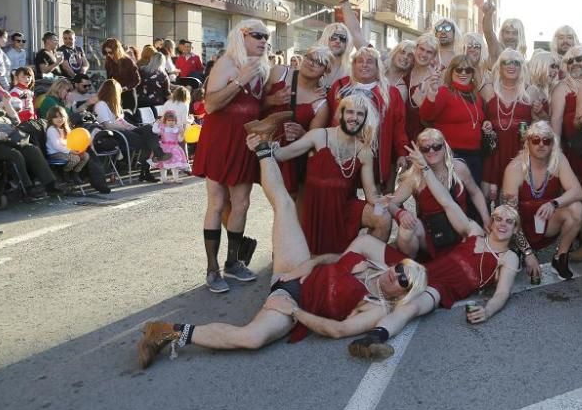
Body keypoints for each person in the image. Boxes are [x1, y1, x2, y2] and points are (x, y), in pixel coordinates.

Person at [136, 136, 428, 369]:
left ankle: (165, 331)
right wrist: (307, 266)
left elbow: (337, 330)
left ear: (403, 293)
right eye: (400, 268)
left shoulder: (376, 307)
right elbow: (335, 258)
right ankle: (263, 148)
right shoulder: (374, 263)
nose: (396, 273)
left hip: (291, 302)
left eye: (403, 280)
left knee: (252, 338)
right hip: (297, 267)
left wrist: (297, 312)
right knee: (286, 206)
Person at [346, 154, 520, 360]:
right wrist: (425, 169)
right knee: (364, 244)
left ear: (515, 229)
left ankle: (373, 339)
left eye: (509, 222)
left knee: (411, 307)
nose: (502, 224)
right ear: (490, 223)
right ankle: (336, 276)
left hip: (440, 289)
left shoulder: (508, 257)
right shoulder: (474, 231)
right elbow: (447, 202)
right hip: (421, 270)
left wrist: (488, 310)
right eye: (498, 218)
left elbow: (502, 293)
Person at [192, 19, 271, 293]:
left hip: (244, 142)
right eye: (257, 35)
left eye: (266, 36)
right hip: (219, 140)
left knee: (242, 203)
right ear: (242, 35)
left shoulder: (262, 67)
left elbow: (255, 106)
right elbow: (211, 105)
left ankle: (232, 263)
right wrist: (240, 80)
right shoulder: (227, 63)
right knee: (216, 202)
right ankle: (212, 270)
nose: (263, 40)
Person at [262, 93, 390, 253]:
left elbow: (371, 193)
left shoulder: (364, 151)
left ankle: (363, 260)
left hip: (344, 211)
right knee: (314, 266)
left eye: (360, 114)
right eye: (350, 112)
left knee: (383, 218)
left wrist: (385, 205)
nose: (354, 118)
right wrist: (263, 144)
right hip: (316, 211)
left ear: (365, 119)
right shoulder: (319, 136)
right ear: (341, 114)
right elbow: (282, 154)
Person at [500, 121, 582, 279]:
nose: (541, 145)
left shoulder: (557, 159)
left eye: (546, 141)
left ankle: (560, 258)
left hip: (546, 220)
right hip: (521, 224)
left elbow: (577, 192)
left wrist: (554, 203)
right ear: (528, 142)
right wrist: (528, 253)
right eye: (535, 140)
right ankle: (518, 250)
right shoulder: (515, 168)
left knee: (577, 208)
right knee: (507, 220)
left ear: (552, 144)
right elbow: (509, 216)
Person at [387, 128, 489, 259]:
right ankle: (411, 267)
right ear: (419, 151)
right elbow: (391, 202)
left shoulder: (458, 168)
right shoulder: (415, 176)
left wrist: (486, 219)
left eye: (436, 147)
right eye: (425, 148)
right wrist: (401, 214)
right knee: (406, 230)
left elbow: (475, 192)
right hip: (432, 234)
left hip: (460, 228)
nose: (431, 151)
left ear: (444, 147)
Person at [320, 46, 409, 189]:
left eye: (370, 61)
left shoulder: (391, 92)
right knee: (341, 191)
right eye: (360, 61)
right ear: (353, 65)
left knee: (375, 194)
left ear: (377, 66)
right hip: (343, 151)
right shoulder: (340, 87)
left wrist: (401, 153)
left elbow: (399, 127)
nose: (364, 64)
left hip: (376, 155)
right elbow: (327, 118)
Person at [263, 44, 332, 194]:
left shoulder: (321, 103)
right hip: (260, 147)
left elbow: (313, 140)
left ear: (325, 71)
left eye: (318, 62)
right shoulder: (279, 73)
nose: (311, 63)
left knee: (287, 202)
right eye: (309, 57)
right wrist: (272, 100)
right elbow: (254, 107)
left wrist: (302, 133)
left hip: (290, 158)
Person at [419, 55, 487, 184]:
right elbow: (426, 116)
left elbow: (478, 120)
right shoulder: (444, 92)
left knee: (472, 196)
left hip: (475, 155)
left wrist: (486, 124)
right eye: (458, 69)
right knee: (454, 197)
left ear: (473, 73)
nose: (463, 73)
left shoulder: (476, 96)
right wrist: (432, 94)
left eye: (468, 70)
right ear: (451, 72)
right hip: (451, 154)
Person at [481, 49, 534, 204]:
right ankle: (486, 227)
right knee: (485, 198)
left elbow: (543, 122)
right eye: (507, 62)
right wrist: (486, 123)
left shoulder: (530, 91)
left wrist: (540, 111)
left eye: (516, 62)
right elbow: (478, 117)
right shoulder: (488, 90)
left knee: (512, 200)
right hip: (493, 153)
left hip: (518, 152)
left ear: (522, 67)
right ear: (499, 66)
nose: (512, 66)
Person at [0, 96, 63, 200]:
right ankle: (27, 188)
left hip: (10, 139)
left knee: (32, 149)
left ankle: (50, 185)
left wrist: (7, 103)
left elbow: (16, 121)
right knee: (15, 155)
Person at [93, 78, 167, 184]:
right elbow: (107, 125)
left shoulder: (113, 105)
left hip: (124, 130)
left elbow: (121, 121)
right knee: (147, 140)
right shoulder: (101, 105)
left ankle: (154, 159)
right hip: (115, 134)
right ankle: (147, 169)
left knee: (149, 129)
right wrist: (125, 127)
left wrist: (132, 127)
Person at [44, 106, 90, 184]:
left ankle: (75, 173)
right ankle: (65, 173)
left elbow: (70, 141)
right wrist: (70, 151)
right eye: (56, 117)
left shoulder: (65, 129)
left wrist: (77, 148)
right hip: (55, 153)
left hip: (67, 150)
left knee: (85, 156)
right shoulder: (51, 130)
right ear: (51, 119)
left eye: (61, 117)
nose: (59, 119)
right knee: (75, 159)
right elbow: (57, 146)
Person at [406, 33, 440, 139]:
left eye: (429, 52)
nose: (424, 54)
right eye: (422, 49)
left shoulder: (434, 81)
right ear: (415, 49)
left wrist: (422, 104)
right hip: (399, 132)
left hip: (422, 136)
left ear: (434, 56)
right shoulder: (406, 70)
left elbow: (435, 120)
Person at [149, 110, 188, 183]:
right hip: (164, 147)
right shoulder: (163, 128)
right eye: (169, 120)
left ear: (175, 121)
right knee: (163, 164)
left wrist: (182, 134)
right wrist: (156, 123)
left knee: (175, 164)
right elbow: (154, 130)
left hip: (175, 148)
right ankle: (164, 178)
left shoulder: (177, 129)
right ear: (165, 121)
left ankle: (176, 178)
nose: (171, 122)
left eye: (173, 120)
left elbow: (179, 140)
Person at [102, 38, 141, 112]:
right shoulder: (109, 62)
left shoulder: (128, 61)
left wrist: (125, 87)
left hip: (128, 96)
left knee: (128, 118)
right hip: (116, 96)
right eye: (106, 53)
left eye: (110, 52)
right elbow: (109, 79)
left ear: (116, 50)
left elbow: (137, 80)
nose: (108, 55)